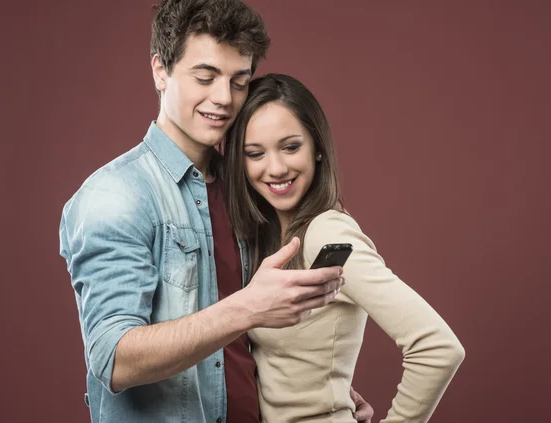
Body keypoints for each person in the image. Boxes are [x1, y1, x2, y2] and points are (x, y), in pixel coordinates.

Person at [58, 1, 373, 422]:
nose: (223, 99)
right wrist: (248, 306)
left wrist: (320, 391)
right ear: (160, 71)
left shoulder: (245, 187)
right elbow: (113, 359)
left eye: (238, 81)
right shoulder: (116, 196)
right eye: (205, 77)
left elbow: (246, 349)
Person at [223, 73, 466, 422]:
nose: (275, 168)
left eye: (291, 147)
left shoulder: (328, 234)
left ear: (318, 148)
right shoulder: (268, 234)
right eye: (255, 153)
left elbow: (438, 348)